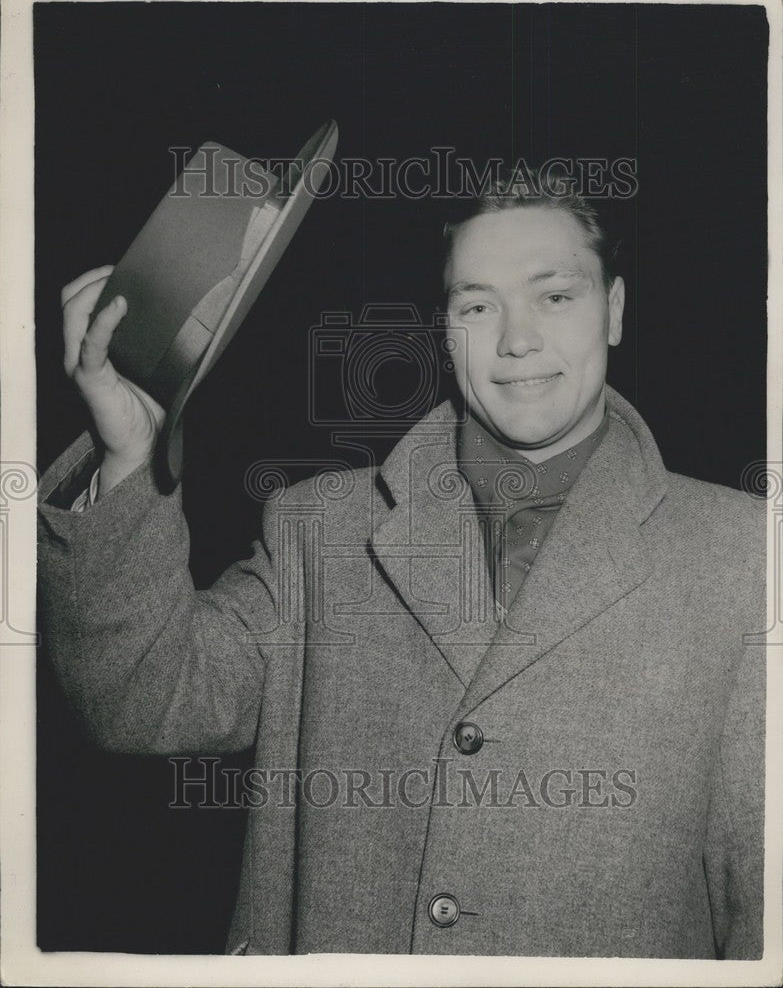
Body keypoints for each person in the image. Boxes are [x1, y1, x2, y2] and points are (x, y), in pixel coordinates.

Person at [37, 170, 766, 958]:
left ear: (613, 311)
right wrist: (130, 453)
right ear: (443, 333)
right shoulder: (321, 530)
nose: (516, 339)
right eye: (477, 304)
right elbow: (143, 700)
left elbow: (759, 895)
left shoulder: (742, 555)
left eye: (555, 296)